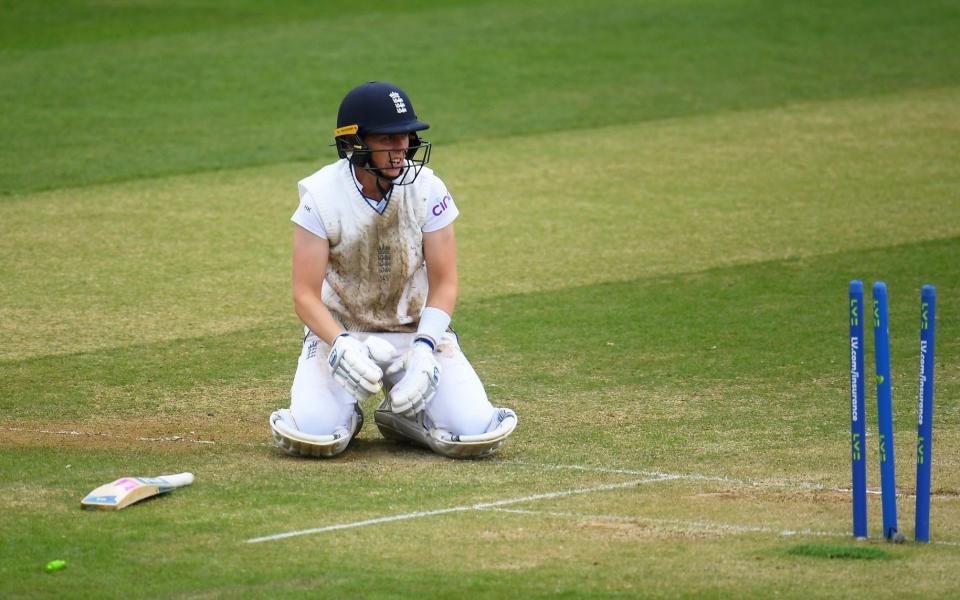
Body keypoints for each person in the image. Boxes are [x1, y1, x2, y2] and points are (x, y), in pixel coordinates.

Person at [269, 82, 517, 459]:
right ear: (354, 143)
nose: (402, 148)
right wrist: (340, 343)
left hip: (415, 330)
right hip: (341, 333)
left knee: (473, 431)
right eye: (388, 138)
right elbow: (304, 293)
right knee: (316, 433)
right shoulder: (320, 195)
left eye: (406, 137)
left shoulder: (428, 189)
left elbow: (445, 282)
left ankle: (404, 418)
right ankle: (346, 415)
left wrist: (425, 347)